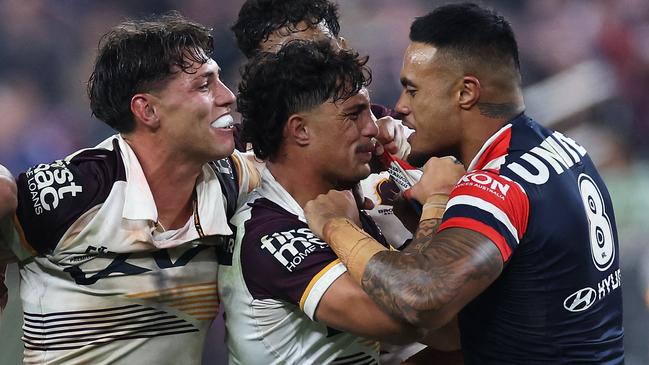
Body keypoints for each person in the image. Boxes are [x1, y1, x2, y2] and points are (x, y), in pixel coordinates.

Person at [304, 3, 625, 364]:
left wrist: (337, 225)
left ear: (465, 93)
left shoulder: (497, 184)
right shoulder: (565, 147)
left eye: (412, 90)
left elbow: (420, 300)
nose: (400, 106)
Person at [0, 12, 258, 364]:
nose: (228, 97)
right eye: (203, 85)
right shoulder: (72, 193)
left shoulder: (234, 176)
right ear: (147, 110)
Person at [217, 39, 438, 365]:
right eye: (353, 115)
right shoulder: (269, 234)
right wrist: (438, 202)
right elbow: (409, 320)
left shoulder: (354, 199)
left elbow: (448, 333)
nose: (372, 128)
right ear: (301, 129)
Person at [232, 0, 415, 250]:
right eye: (283, 61)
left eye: (319, 50)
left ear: (343, 48)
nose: (308, 67)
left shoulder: (395, 130)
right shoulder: (233, 161)